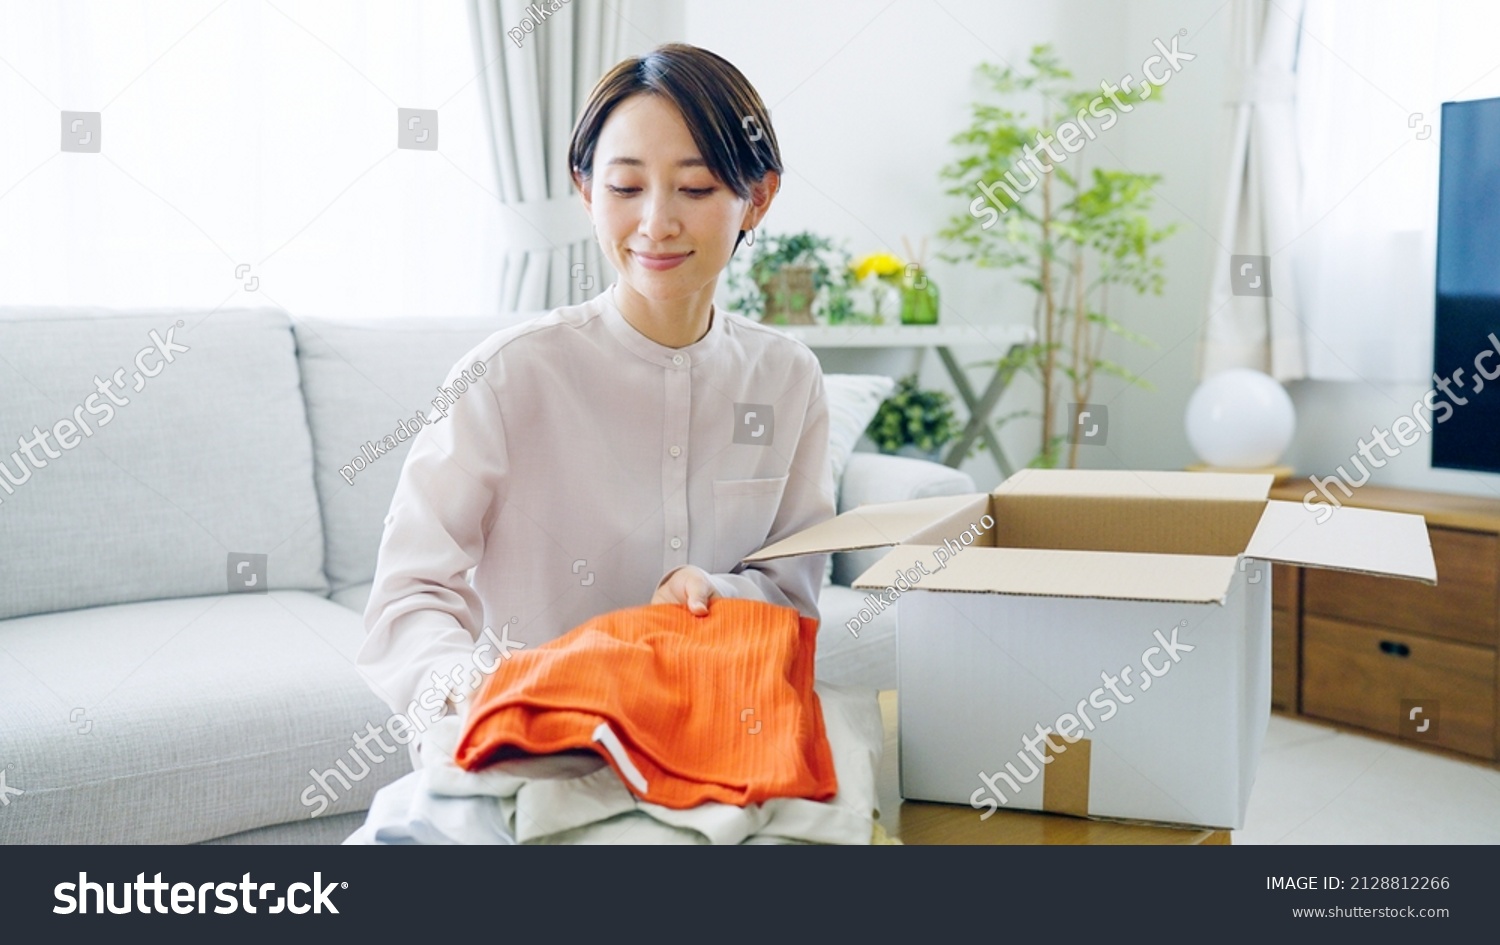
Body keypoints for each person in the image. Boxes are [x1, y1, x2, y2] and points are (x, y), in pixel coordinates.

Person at [356, 43, 835, 760]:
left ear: (756, 198)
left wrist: (718, 593)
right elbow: (408, 597)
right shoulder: (506, 376)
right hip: (532, 744)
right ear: (586, 192)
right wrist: (478, 687)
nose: (656, 223)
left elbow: (792, 593)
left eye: (697, 189)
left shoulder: (787, 376)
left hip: (716, 738)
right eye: (625, 188)